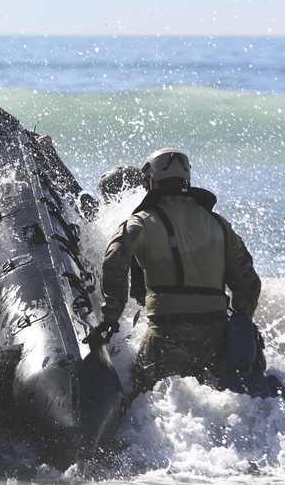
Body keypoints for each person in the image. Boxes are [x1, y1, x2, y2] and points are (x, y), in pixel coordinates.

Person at [89, 148, 262, 394]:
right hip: (219, 341)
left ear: (150, 181)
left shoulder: (140, 222)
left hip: (166, 340)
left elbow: (113, 262)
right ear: (187, 181)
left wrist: (110, 319)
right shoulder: (220, 225)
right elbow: (249, 283)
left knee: (140, 398)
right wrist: (241, 322)